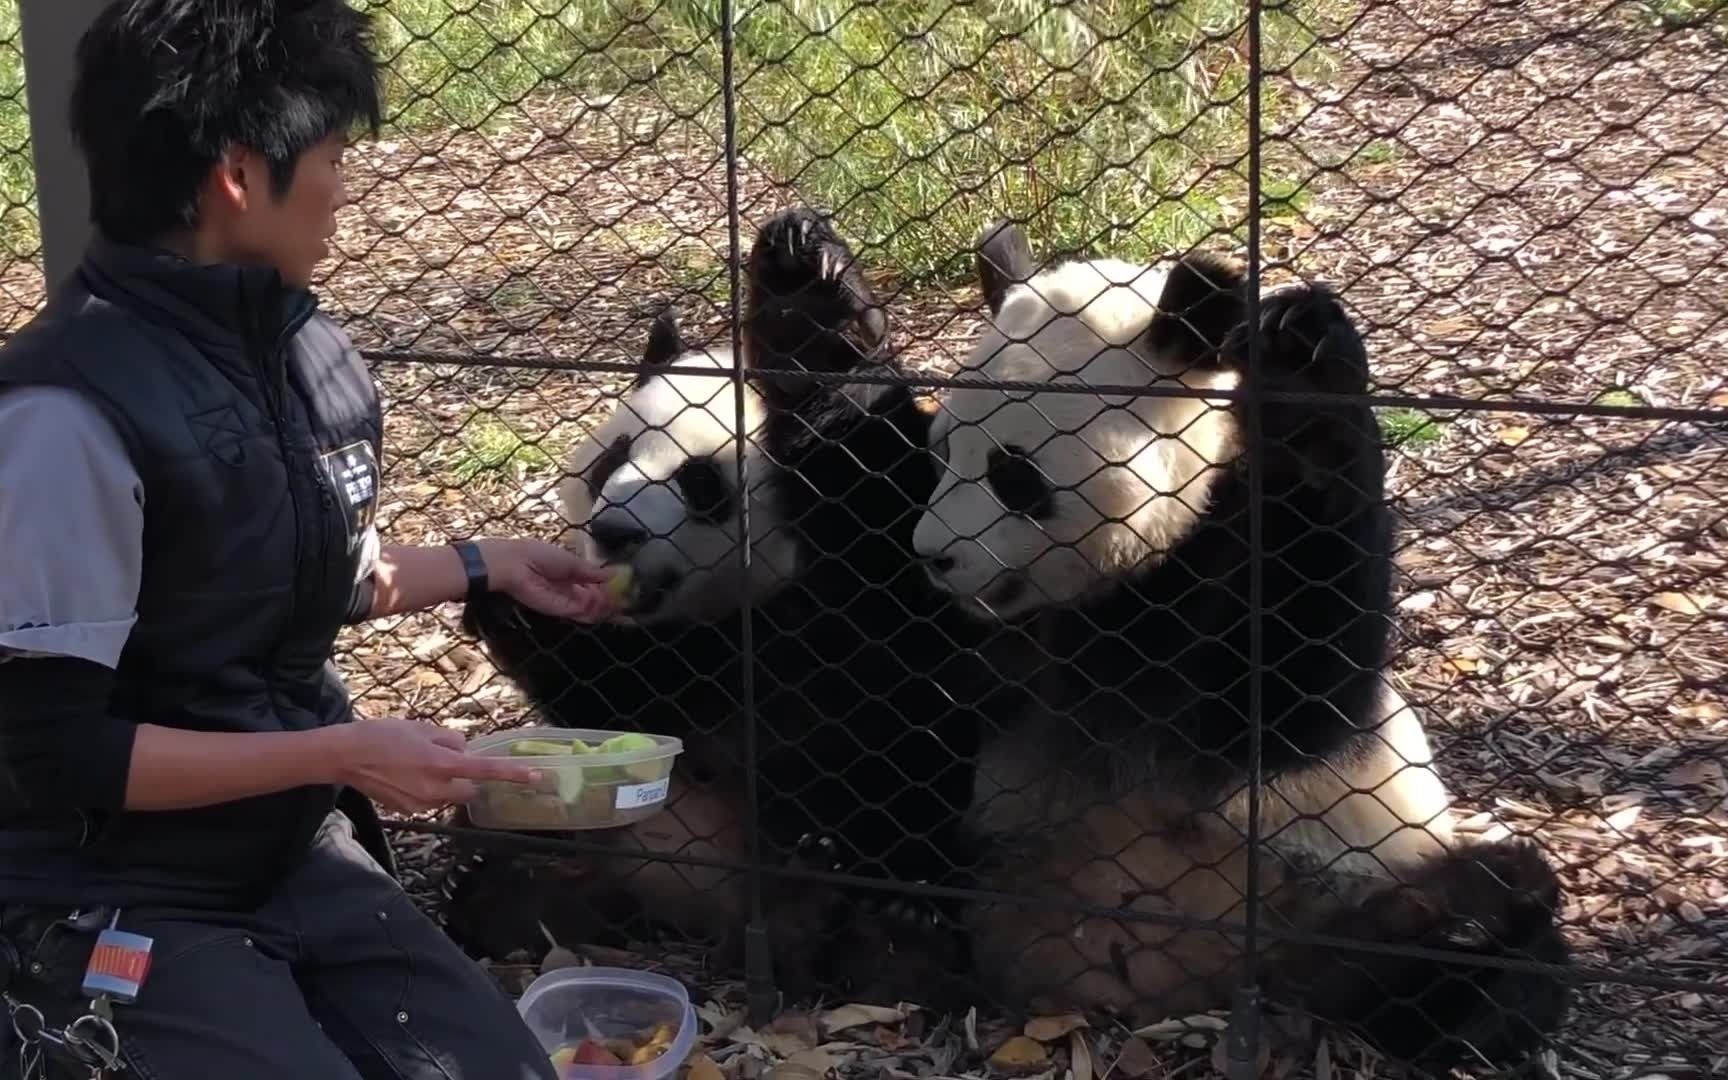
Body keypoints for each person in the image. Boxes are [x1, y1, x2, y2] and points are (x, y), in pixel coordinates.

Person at [0, 2, 618, 1077]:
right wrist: (340, 753)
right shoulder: (66, 416)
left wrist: (489, 561)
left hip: (285, 849)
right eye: (332, 155)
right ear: (240, 174)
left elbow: (292, 580)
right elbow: (57, 754)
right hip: (109, 890)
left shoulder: (303, 352)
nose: (343, 188)